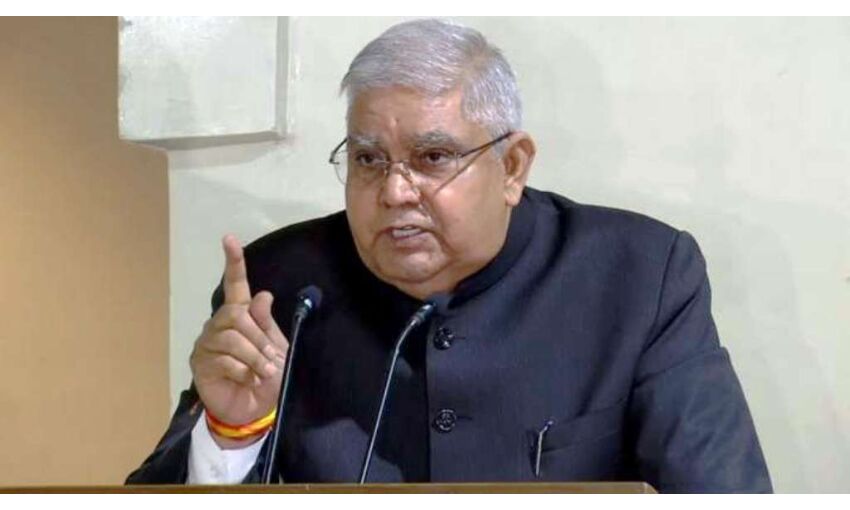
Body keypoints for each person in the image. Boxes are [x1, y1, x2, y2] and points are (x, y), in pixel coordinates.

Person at [126, 19, 772, 492]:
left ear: (512, 167)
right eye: (368, 160)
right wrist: (231, 432)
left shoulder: (639, 276)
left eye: (432, 157)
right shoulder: (280, 289)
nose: (394, 192)